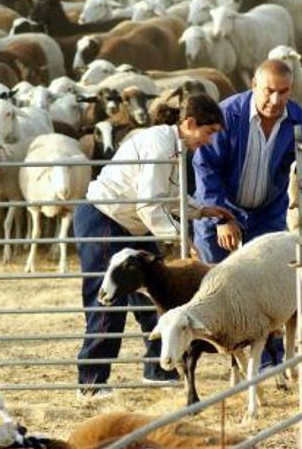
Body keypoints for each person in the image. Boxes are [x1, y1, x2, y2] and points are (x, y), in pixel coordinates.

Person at [74, 94, 234, 399]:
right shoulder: (160, 145)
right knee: (108, 297)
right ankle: (91, 382)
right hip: (105, 217)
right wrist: (182, 239)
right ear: (189, 124)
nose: (210, 140)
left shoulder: (176, 147)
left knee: (159, 287)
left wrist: (202, 210)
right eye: (209, 131)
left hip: (132, 221)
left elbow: (168, 196)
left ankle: (157, 368)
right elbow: (149, 204)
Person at [192, 59, 302, 368]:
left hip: (269, 211)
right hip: (223, 208)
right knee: (212, 281)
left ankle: (269, 359)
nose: (276, 100)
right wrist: (221, 218)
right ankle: (212, 355)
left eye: (284, 92)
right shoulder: (229, 115)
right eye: (268, 91)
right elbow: (206, 165)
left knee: (268, 286)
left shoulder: (299, 121)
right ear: (254, 85)